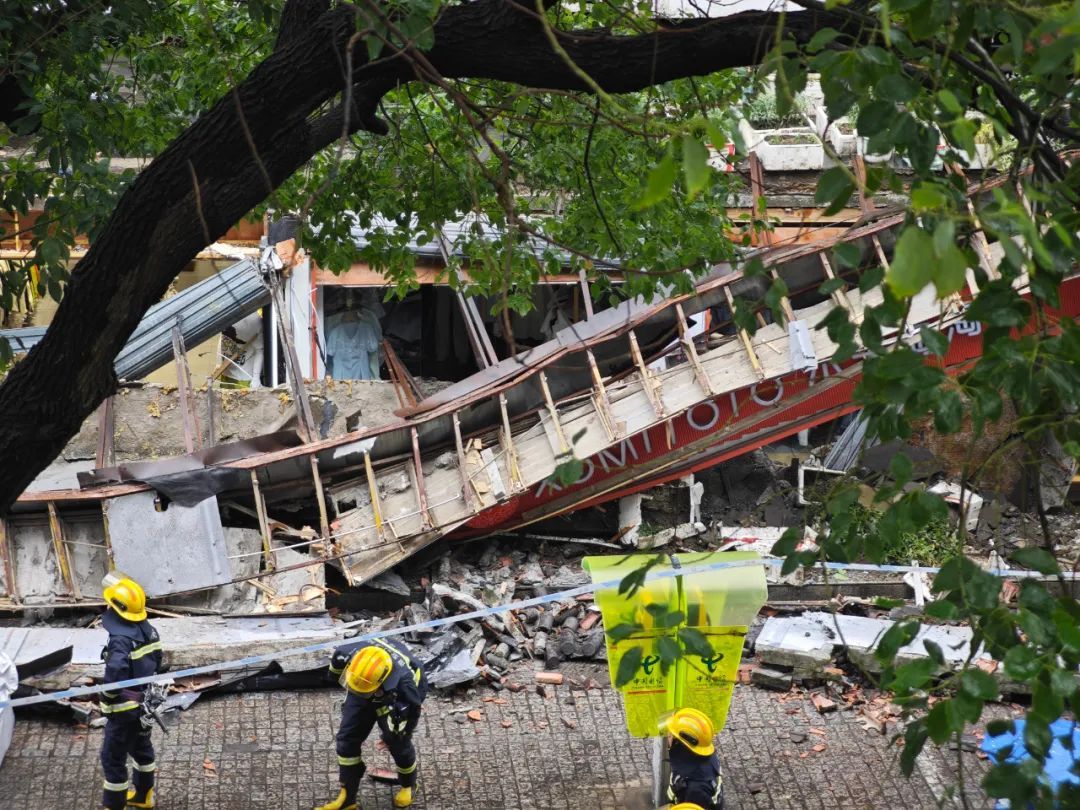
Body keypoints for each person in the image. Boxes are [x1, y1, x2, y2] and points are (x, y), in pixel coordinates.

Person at [316, 638, 429, 810]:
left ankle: (409, 784)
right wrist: (358, 690)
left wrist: (398, 733)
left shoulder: (406, 683)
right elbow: (334, 674)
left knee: (398, 744)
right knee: (346, 741)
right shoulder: (345, 653)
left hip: (390, 699)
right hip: (361, 685)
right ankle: (348, 798)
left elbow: (413, 711)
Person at [98, 573, 163, 810]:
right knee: (141, 750)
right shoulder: (150, 631)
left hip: (124, 710)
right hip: (145, 706)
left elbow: (115, 672)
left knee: (112, 757)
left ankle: (114, 805)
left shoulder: (120, 640)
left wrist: (107, 699)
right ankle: (144, 796)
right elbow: (158, 661)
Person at [664, 707, 724, 810]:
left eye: (670, 735)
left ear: (682, 745)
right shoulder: (698, 757)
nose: (667, 737)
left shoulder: (695, 790)